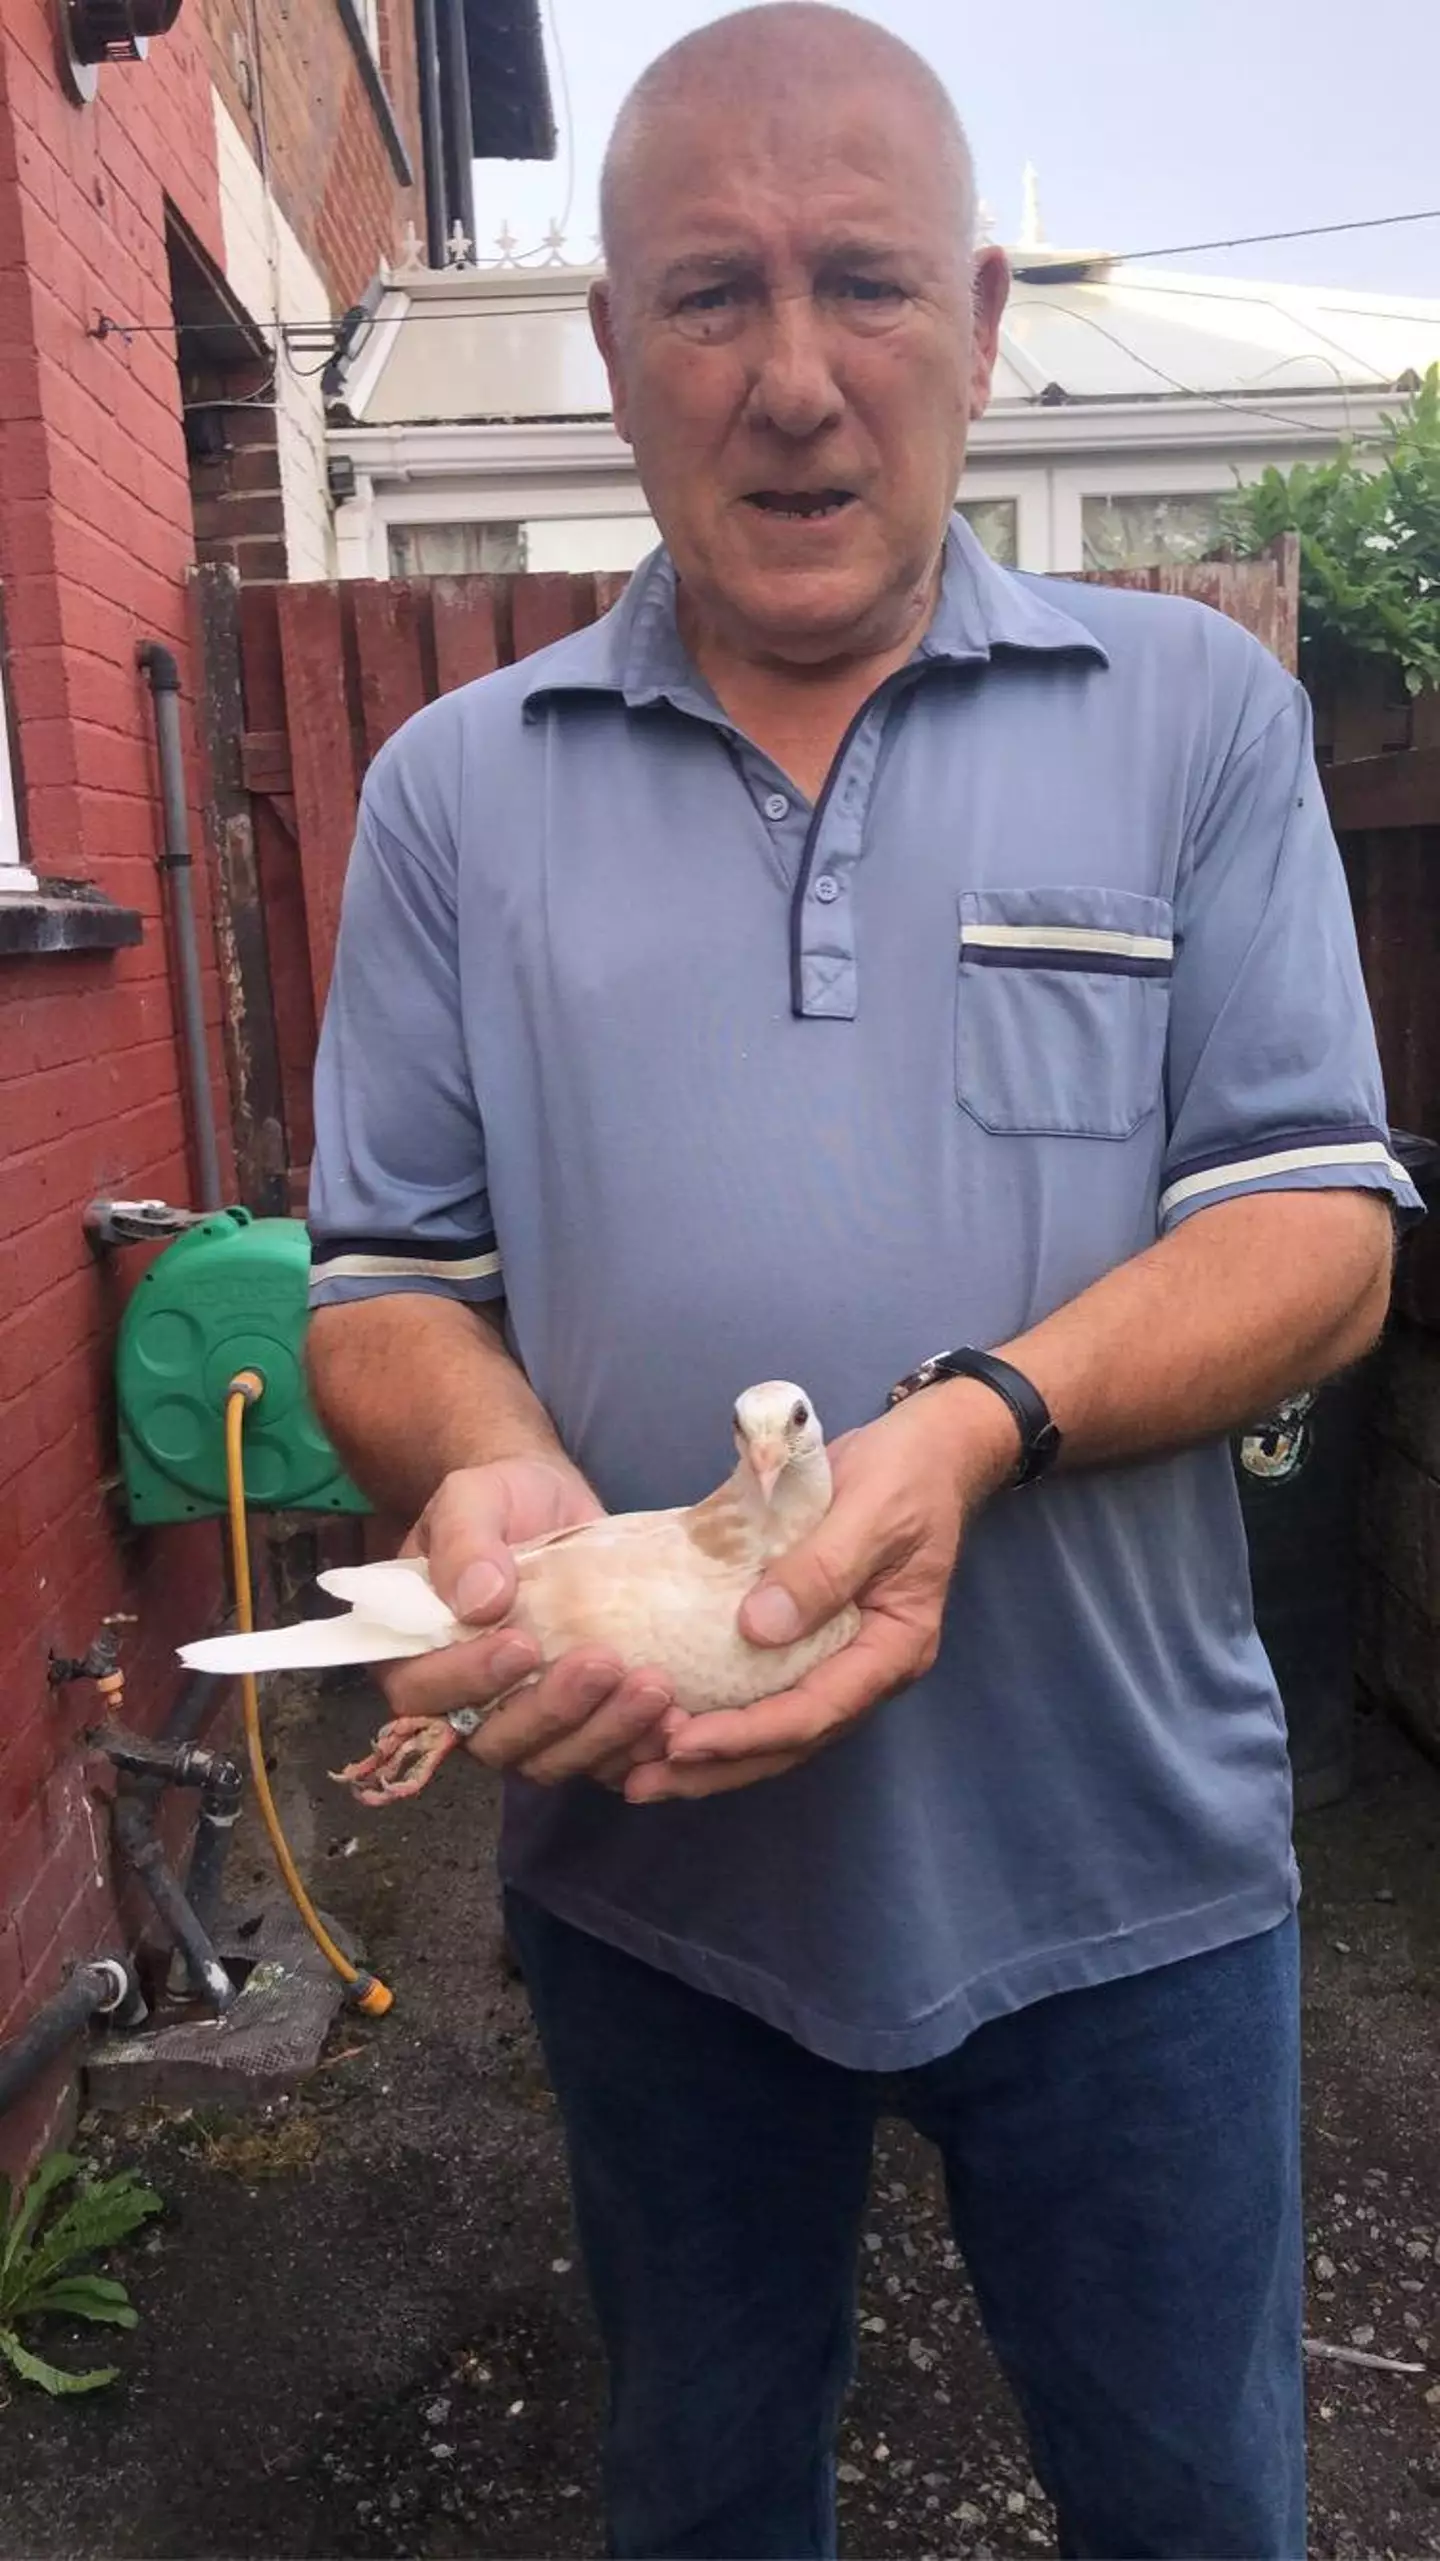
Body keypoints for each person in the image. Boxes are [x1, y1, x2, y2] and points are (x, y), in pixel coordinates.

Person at [304, 9, 1419, 2553]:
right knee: (703, 2495)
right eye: (708, 294)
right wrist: (494, 1476)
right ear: (609, 349)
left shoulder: (1196, 721)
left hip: (1127, 1877)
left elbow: (1319, 1232)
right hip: (656, 1885)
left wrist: (969, 1423)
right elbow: (377, 1280)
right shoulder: (456, 797)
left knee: (1198, 2507)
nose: (794, 381)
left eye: (865, 286)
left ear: (986, 315)